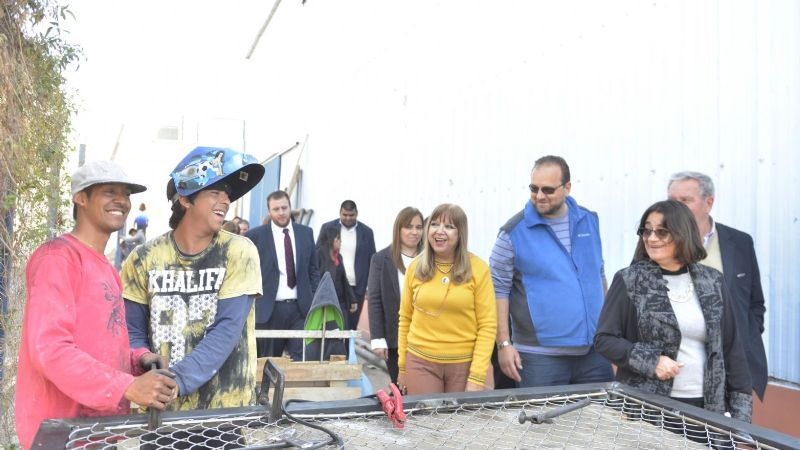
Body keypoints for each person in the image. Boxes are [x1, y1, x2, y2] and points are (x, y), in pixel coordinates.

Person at [15, 161, 176, 449]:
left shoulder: (107, 268)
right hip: (59, 433)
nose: (121, 201)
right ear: (81, 198)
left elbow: (100, 342)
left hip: (95, 431)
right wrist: (125, 386)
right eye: (109, 191)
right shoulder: (58, 258)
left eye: (126, 194)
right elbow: (49, 349)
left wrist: (139, 361)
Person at [121, 146, 265, 413]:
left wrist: (175, 381)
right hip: (160, 413)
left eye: (227, 194)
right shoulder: (143, 258)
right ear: (186, 200)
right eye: (214, 192)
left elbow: (226, 330)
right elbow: (133, 332)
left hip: (224, 410)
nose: (225, 200)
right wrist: (144, 362)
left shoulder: (239, 251)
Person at [594, 200, 752, 422]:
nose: (651, 238)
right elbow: (604, 339)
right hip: (647, 408)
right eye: (646, 231)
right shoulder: (630, 279)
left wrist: (742, 423)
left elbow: (732, 349)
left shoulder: (712, 281)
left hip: (706, 408)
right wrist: (651, 361)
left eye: (662, 231)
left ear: (682, 233)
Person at [489, 155, 613, 387]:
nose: (539, 196)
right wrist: (504, 344)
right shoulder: (512, 232)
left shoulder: (589, 221)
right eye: (533, 189)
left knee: (599, 422)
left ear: (567, 187)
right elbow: (498, 290)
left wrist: (609, 334)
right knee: (542, 423)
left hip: (594, 354)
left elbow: (599, 274)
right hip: (539, 358)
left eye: (547, 189)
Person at [667, 171, 768, 401]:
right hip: (679, 367)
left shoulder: (740, 242)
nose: (676, 208)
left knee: (727, 432)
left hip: (730, 364)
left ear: (709, 202)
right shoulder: (656, 243)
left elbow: (754, 303)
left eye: (685, 200)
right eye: (672, 201)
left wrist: (742, 342)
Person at [397, 204, 496, 395]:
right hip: (420, 363)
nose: (440, 231)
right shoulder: (415, 267)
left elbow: (487, 325)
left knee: (459, 424)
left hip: (463, 366)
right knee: (425, 422)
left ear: (460, 234)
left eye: (449, 226)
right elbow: (405, 319)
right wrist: (402, 367)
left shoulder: (479, 269)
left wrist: (476, 377)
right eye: (434, 224)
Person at [246, 191, 320, 359]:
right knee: (267, 363)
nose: (281, 212)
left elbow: (314, 270)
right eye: (276, 209)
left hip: (301, 310)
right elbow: (247, 272)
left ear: (290, 208)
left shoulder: (305, 233)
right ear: (269, 211)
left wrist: (313, 296)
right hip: (269, 311)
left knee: (301, 362)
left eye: (284, 208)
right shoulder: (256, 236)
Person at [367, 207, 424, 383]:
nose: (414, 232)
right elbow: (374, 300)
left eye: (419, 227)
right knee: (400, 388)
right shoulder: (381, 259)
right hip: (396, 338)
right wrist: (378, 338)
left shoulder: (430, 258)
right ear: (398, 229)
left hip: (427, 337)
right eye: (409, 227)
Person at [318, 200, 376, 329]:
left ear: (357, 214)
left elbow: (373, 261)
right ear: (340, 213)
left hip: (357, 288)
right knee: (331, 324)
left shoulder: (366, 232)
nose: (348, 218)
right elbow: (319, 255)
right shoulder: (328, 228)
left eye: (351, 215)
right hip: (334, 285)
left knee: (351, 325)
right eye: (345, 215)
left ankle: (347, 348)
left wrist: (369, 287)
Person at [316, 226, 356, 328]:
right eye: (338, 239)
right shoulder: (319, 255)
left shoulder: (339, 257)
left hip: (340, 301)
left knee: (343, 326)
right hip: (324, 301)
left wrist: (352, 299)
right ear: (331, 239)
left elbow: (344, 280)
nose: (340, 242)